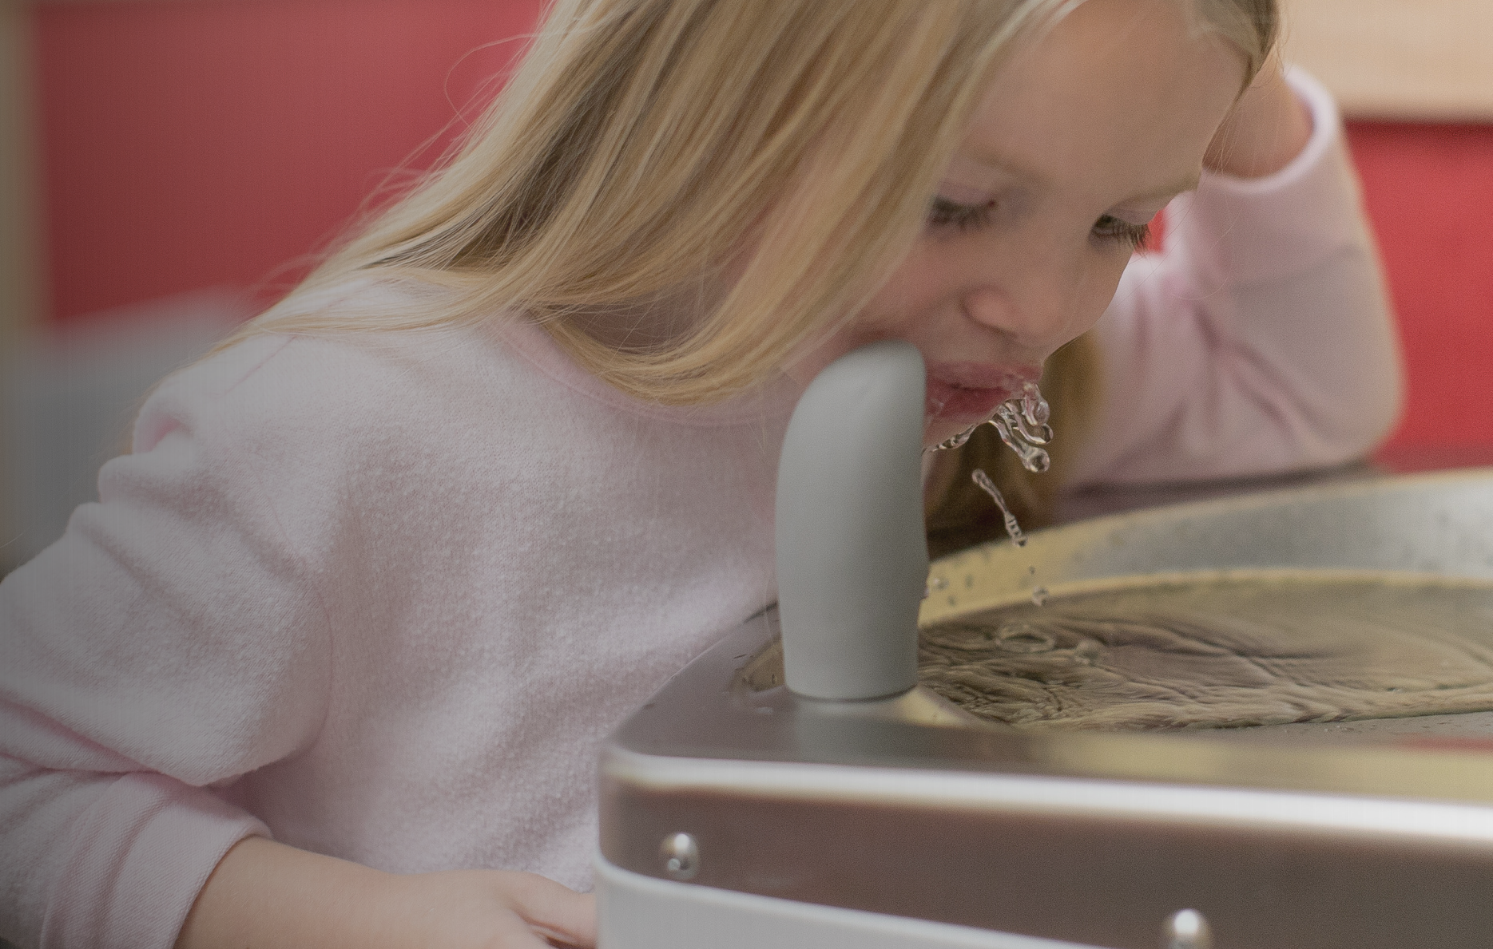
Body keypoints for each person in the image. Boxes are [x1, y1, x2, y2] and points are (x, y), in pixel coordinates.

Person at [0, 0, 1400, 946]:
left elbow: (1296, 391)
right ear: (704, 114)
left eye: (1117, 220)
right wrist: (347, 919)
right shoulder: (345, 433)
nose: (1037, 302)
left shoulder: (968, 379)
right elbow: (25, 788)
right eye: (954, 205)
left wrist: (1228, 70)